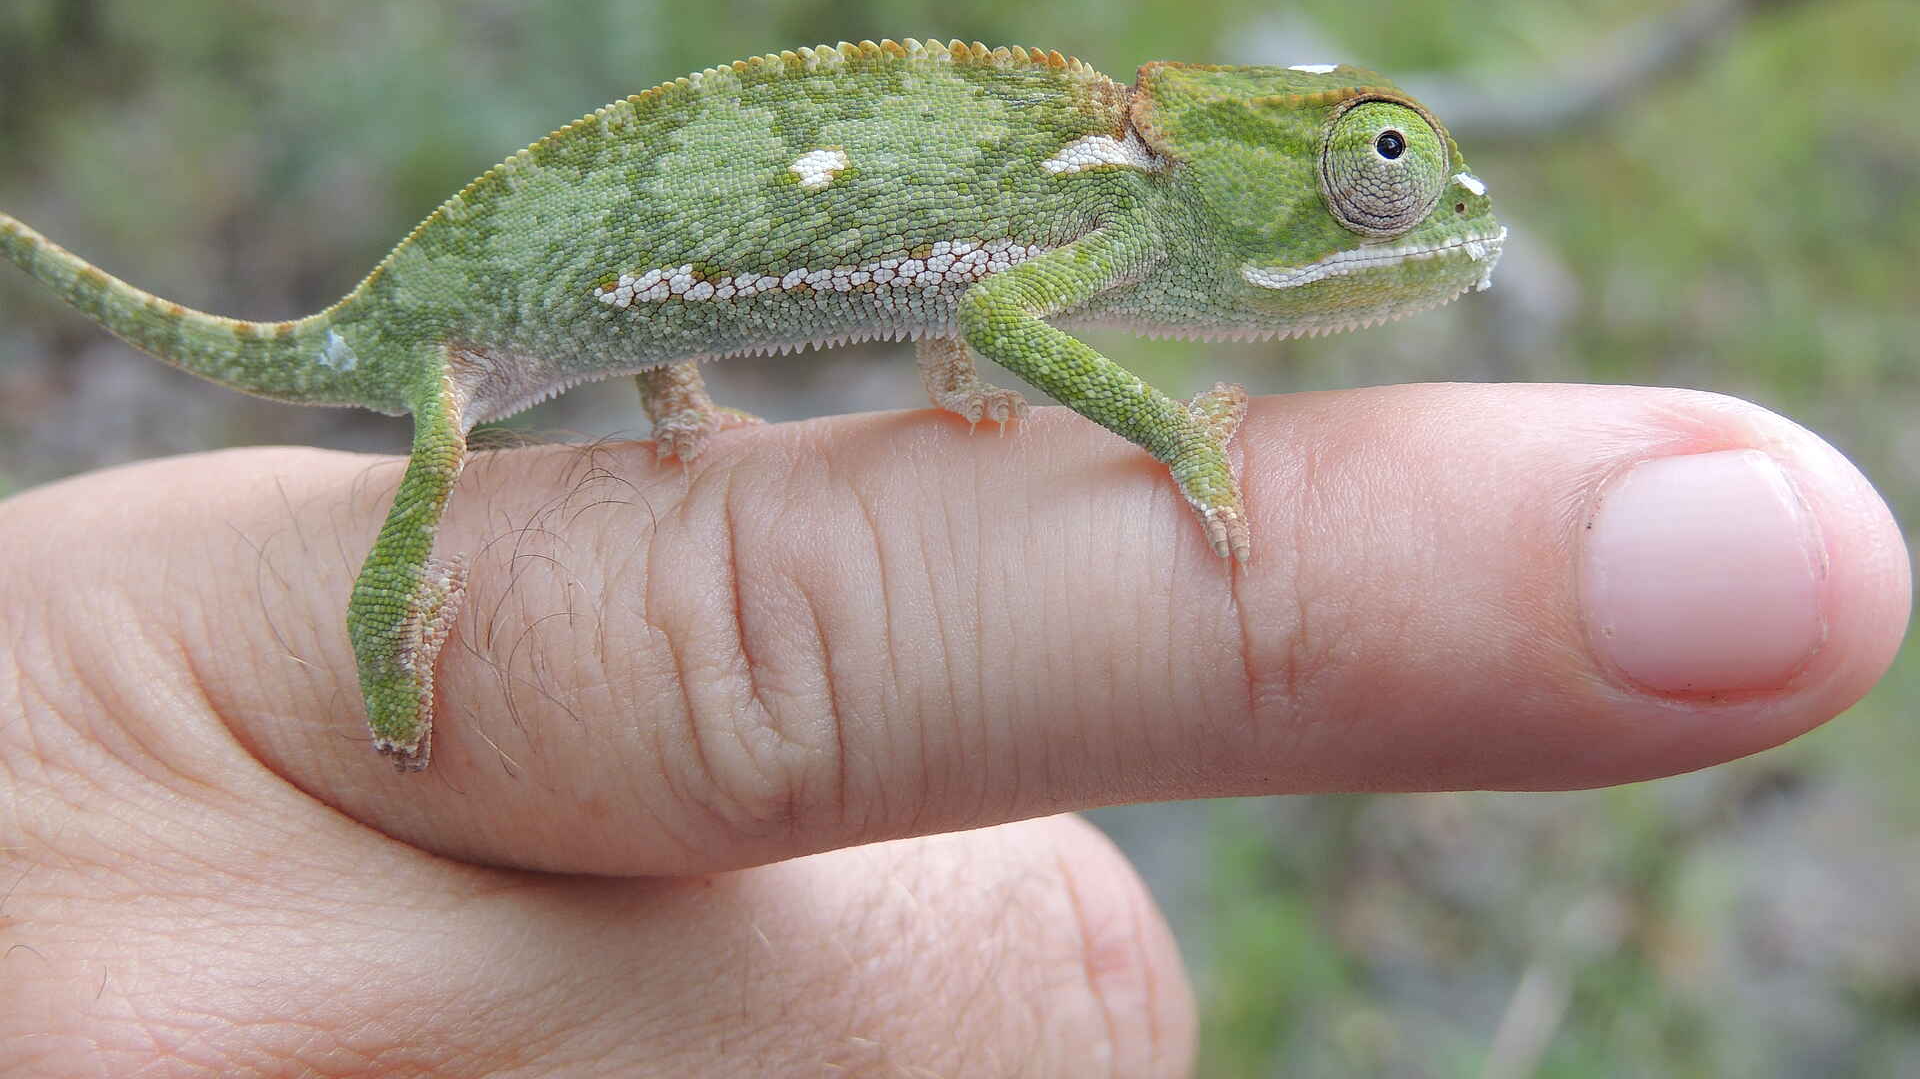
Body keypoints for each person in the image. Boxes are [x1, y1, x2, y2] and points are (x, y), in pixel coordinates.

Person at [1, 385, 1908, 1074]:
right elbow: (1005, 297)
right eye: (1380, 169)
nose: (1422, 215)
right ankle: (400, 645)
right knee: (444, 458)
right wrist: (1176, 434)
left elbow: (979, 294)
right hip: (503, 323)